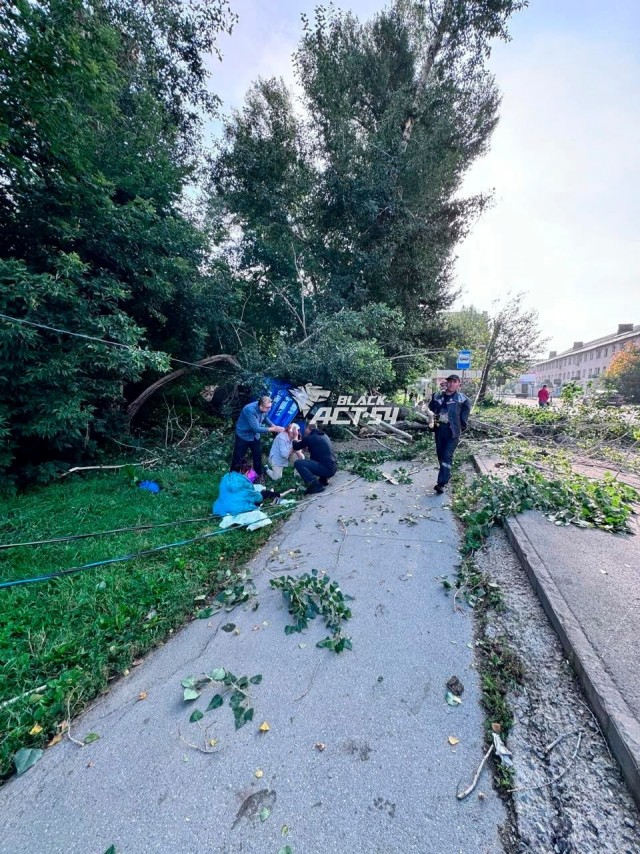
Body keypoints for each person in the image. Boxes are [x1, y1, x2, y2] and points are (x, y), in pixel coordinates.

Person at [428, 374, 470, 495]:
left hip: (453, 432)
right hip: (439, 429)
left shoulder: (463, 400)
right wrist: (431, 422)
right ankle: (447, 474)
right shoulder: (436, 396)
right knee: (440, 455)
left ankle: (441, 483)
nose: (451, 384)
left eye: (454, 382)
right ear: (446, 383)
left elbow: (464, 419)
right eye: (449, 382)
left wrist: (459, 429)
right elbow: (430, 411)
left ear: (458, 384)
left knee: (447, 455)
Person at [231, 395, 284, 480]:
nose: (269, 409)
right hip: (243, 436)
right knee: (238, 457)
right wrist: (273, 429)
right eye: (267, 408)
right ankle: (232, 476)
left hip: (255, 436)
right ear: (260, 406)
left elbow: (265, 417)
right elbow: (256, 428)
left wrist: (272, 425)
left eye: (270, 407)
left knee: (257, 456)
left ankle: (259, 475)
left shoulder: (265, 408)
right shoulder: (249, 410)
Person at [292, 422, 338, 494]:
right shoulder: (324, 435)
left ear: (308, 429)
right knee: (317, 458)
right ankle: (323, 479)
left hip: (327, 469)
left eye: (306, 428)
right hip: (333, 467)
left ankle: (315, 485)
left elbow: (296, 446)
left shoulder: (309, 438)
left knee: (298, 463)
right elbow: (319, 450)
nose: (304, 430)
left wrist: (295, 436)